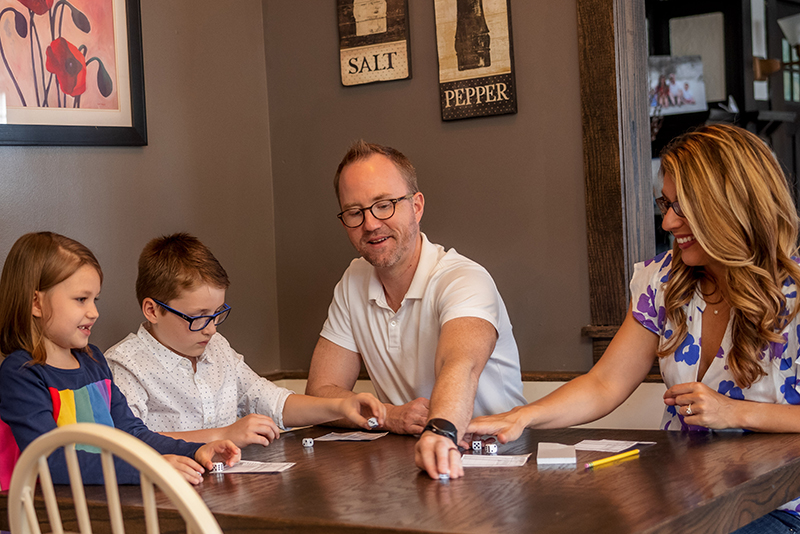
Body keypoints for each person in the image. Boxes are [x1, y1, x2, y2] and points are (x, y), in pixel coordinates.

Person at [466, 123, 800, 533]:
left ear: (730, 205)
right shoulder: (663, 280)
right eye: (666, 204)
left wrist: (734, 411)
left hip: (779, 503)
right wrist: (522, 417)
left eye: (683, 208)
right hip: (687, 494)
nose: (668, 223)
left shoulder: (795, 292)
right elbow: (605, 383)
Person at [305, 140, 526, 480]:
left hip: (498, 461)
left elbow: (460, 365)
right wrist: (389, 416)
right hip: (410, 465)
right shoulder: (353, 281)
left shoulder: (464, 278)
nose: (370, 224)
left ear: (417, 206)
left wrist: (441, 430)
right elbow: (320, 394)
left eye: (384, 205)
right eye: (355, 212)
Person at [0, 232, 240, 486]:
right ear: (36, 303)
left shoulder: (93, 362)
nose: (94, 312)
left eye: (95, 300)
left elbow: (131, 433)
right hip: (46, 520)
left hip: (99, 510)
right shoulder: (21, 374)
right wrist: (147, 468)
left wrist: (194, 451)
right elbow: (50, 460)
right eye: (81, 299)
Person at [106, 233, 385, 448]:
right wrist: (224, 435)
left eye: (217, 313)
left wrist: (340, 407)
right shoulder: (126, 365)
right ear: (153, 310)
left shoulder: (217, 350)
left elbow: (271, 401)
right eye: (199, 317)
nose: (212, 329)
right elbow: (128, 441)